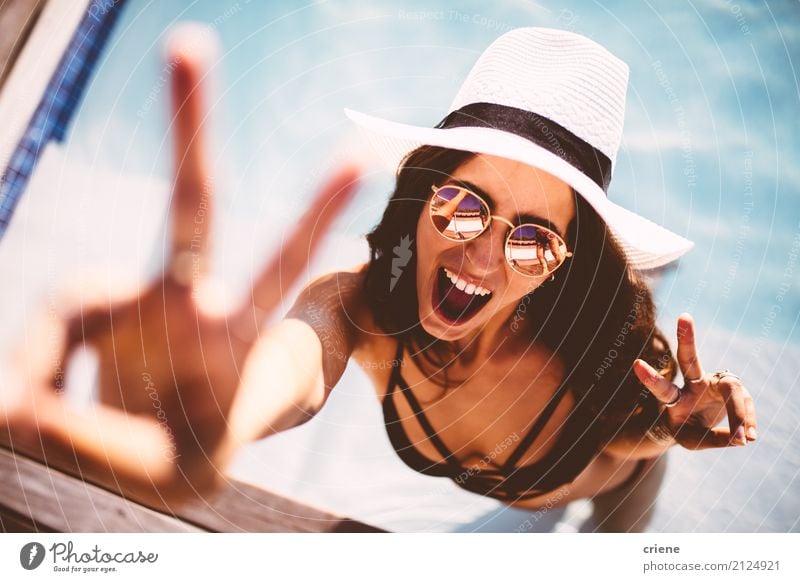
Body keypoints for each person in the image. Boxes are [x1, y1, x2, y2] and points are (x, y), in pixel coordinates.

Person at [1, 26, 757, 532]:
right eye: (465, 207)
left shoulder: (597, 354)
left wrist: (666, 428)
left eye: (533, 242)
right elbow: (290, 366)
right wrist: (213, 415)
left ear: (566, 262)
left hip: (612, 492)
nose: (483, 259)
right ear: (422, 194)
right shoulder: (360, 309)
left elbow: (635, 433)